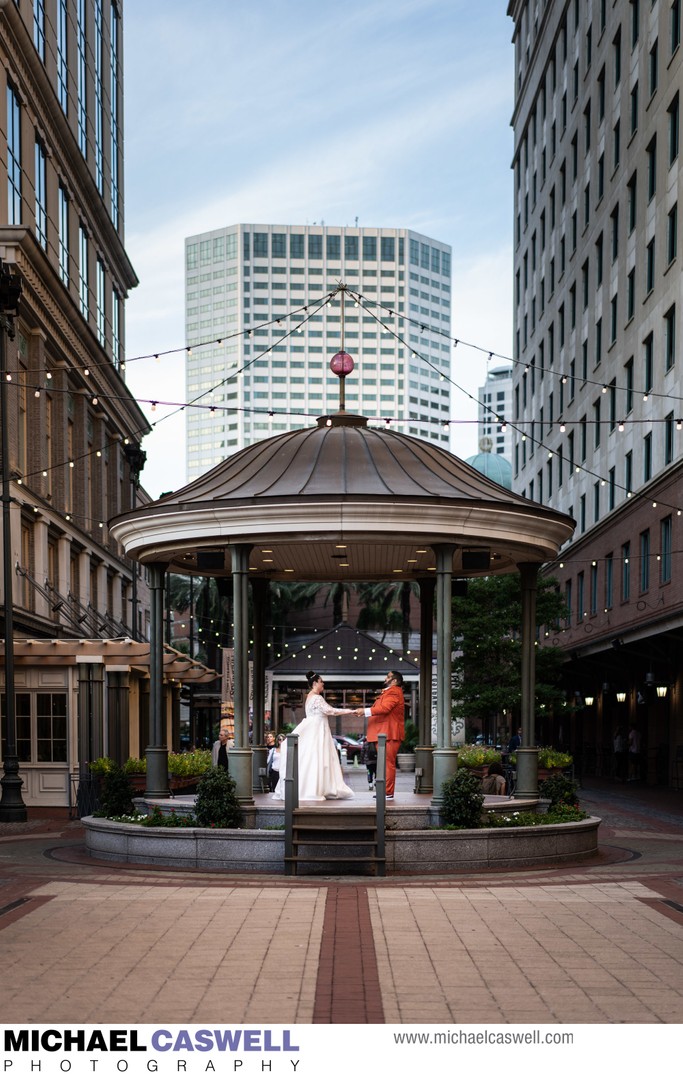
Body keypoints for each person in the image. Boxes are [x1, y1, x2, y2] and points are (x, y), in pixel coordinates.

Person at [272, 671, 355, 801]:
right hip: (317, 730)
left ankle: (315, 787)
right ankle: (315, 788)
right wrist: (351, 711)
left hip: (314, 728)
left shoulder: (309, 697)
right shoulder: (316, 698)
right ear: (315, 683)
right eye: (321, 681)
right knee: (317, 757)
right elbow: (330, 710)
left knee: (311, 758)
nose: (323, 684)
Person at [355, 670, 405, 800]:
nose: (385, 678)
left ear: (394, 681)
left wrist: (364, 711)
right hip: (385, 734)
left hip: (389, 734)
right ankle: (385, 791)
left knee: (387, 764)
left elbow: (385, 708)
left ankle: (388, 792)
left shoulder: (393, 691)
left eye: (388, 677)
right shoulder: (389, 692)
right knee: (384, 764)